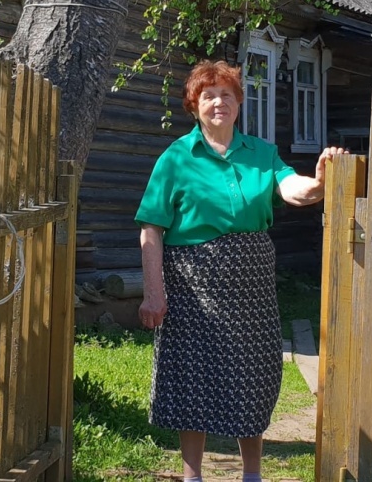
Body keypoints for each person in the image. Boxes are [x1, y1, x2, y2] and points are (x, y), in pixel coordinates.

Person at [135, 60, 346, 482]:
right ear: (194, 105)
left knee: (253, 375)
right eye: (209, 95)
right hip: (193, 286)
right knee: (191, 378)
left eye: (227, 95)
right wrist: (154, 293)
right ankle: (192, 475)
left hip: (251, 285)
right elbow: (151, 228)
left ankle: (252, 473)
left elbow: (293, 190)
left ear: (239, 103)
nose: (219, 103)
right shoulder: (176, 158)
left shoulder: (261, 154)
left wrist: (320, 182)